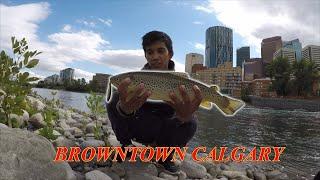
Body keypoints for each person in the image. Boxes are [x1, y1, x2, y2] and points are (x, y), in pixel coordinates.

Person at [106, 31, 203, 173]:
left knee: (191, 121)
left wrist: (184, 117)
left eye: (160, 51)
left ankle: (164, 156)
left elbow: (184, 117)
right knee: (115, 99)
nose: (155, 57)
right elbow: (119, 109)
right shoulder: (136, 79)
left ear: (170, 54)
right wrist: (124, 109)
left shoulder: (182, 85)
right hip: (139, 126)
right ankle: (127, 146)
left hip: (165, 131)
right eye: (150, 52)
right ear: (145, 56)